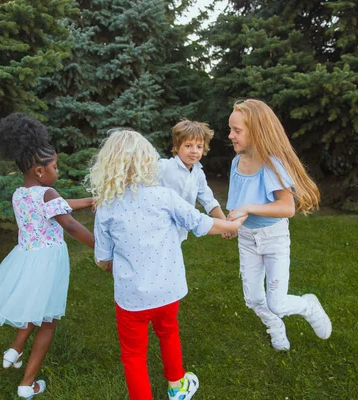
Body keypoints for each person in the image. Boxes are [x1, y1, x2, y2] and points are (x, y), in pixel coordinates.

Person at [87, 129, 244, 400]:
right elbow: (200, 224)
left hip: (131, 298)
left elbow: (103, 256)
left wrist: (109, 265)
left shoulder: (106, 207)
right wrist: (232, 224)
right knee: (169, 333)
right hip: (168, 290)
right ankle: (176, 387)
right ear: (149, 160)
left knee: (133, 355)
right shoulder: (164, 196)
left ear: (108, 164)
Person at [0, 113, 95, 399]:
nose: (58, 171)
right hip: (48, 262)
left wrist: (88, 201)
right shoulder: (48, 193)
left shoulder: (20, 193)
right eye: (55, 166)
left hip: (26, 258)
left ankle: (14, 350)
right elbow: (70, 224)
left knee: (31, 307)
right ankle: (27, 384)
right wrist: (101, 248)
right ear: (40, 171)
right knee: (47, 321)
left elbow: (56, 206)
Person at [225, 99, 332, 351]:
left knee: (278, 302)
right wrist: (233, 221)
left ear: (257, 130)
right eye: (230, 129)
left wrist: (248, 209)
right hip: (247, 238)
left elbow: (287, 208)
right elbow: (237, 202)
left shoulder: (272, 165)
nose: (230, 135)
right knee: (252, 298)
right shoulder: (236, 163)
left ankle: (308, 306)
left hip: (273, 239)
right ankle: (275, 325)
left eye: (236, 130)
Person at [159, 119, 226, 242]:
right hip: (159, 228)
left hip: (180, 232)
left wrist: (225, 225)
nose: (194, 151)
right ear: (176, 147)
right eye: (188, 146)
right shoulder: (164, 166)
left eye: (199, 146)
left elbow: (209, 200)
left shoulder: (198, 173)